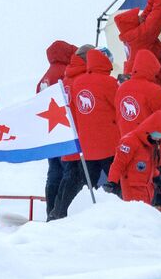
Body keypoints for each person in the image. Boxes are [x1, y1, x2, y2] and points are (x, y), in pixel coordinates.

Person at [52, 47, 119, 219]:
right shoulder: (80, 80)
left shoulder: (69, 79)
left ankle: (57, 215)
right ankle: (63, 215)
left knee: (70, 182)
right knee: (78, 184)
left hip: (74, 140)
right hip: (84, 141)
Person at [37, 40, 77, 215]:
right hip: (64, 129)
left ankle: (50, 210)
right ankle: (60, 211)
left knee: (53, 172)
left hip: (49, 131)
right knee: (67, 172)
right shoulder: (66, 74)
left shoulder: (44, 78)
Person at [113, 0, 161, 89]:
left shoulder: (130, 35)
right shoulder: (140, 36)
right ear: (133, 23)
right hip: (153, 79)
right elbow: (157, 13)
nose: (140, 16)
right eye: (137, 17)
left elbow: (148, 11)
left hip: (137, 73)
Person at [104, 110, 161, 204]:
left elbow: (149, 165)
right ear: (149, 130)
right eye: (157, 135)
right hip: (132, 190)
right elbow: (118, 164)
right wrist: (112, 182)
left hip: (147, 190)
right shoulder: (129, 142)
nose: (158, 138)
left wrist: (157, 178)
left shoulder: (150, 144)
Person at [115, 50, 161, 140]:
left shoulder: (121, 88)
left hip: (127, 140)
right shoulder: (153, 89)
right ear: (152, 69)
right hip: (147, 142)